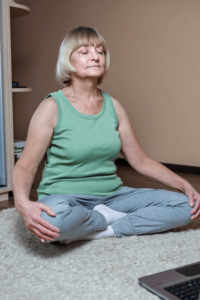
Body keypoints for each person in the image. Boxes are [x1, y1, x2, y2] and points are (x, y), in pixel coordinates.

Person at [13, 26, 200, 245]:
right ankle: (106, 219)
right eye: (84, 52)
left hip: (113, 196)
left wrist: (183, 184)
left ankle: (105, 228)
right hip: (66, 198)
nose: (95, 57)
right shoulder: (51, 106)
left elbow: (140, 160)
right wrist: (22, 203)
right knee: (50, 222)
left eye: (100, 51)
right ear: (67, 60)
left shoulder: (114, 106)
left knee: (187, 207)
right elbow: (26, 165)